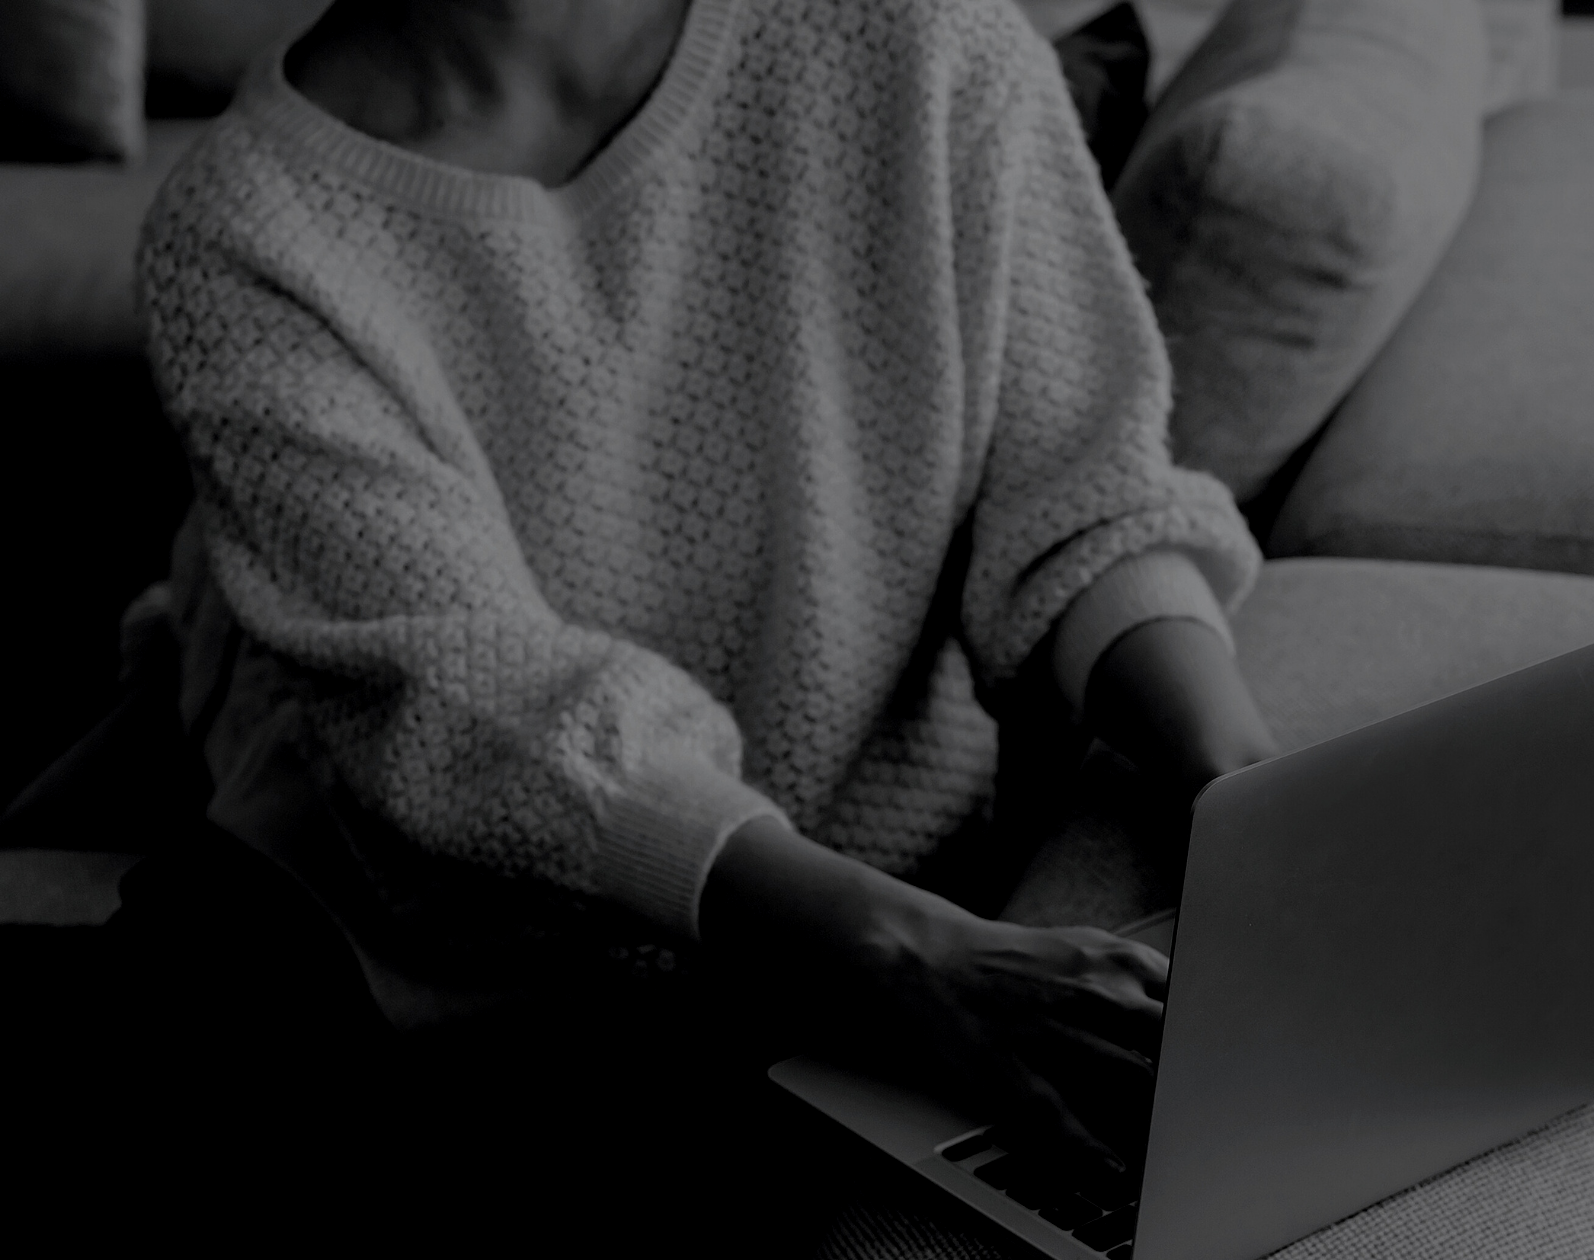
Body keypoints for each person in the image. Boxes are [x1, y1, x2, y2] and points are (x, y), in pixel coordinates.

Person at [127, 0, 1277, 1241]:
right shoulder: (242, 228)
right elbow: (466, 694)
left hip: (877, 913)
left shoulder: (921, 38)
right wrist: (904, 954)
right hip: (440, 977)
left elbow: (1081, 496)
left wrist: (1245, 790)